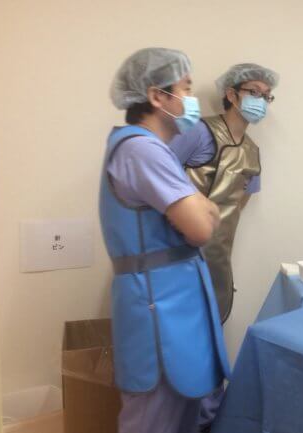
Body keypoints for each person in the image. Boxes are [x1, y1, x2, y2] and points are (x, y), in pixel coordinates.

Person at [100, 47, 230, 433]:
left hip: (173, 300)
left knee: (185, 413)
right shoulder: (141, 149)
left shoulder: (154, 150)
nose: (191, 99)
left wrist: (202, 208)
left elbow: (200, 215)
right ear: (157, 96)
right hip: (157, 305)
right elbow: (201, 227)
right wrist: (205, 207)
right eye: (186, 88)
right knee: (153, 420)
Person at [169, 63, 279, 323]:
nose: (261, 101)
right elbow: (159, 176)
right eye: (254, 92)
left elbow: (238, 205)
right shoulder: (198, 131)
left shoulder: (252, 152)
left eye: (266, 96)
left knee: (211, 320)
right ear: (231, 94)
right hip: (177, 249)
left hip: (218, 256)